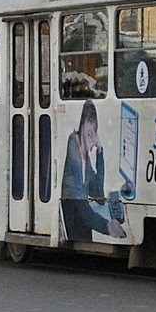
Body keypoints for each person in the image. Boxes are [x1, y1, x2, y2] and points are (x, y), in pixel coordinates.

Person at [61, 101, 125, 240]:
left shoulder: (86, 159)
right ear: (81, 126)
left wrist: (100, 152)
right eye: (88, 132)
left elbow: (98, 194)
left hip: (82, 216)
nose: (92, 137)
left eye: (94, 132)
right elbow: (79, 203)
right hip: (73, 214)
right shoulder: (73, 146)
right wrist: (107, 226)